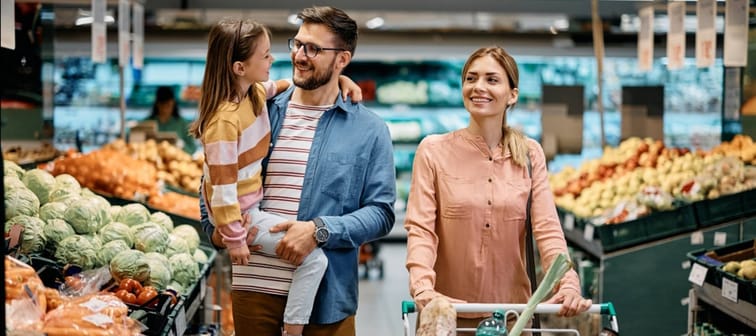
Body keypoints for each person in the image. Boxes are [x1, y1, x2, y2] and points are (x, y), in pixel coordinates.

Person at [200, 6, 396, 336]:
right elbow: (213, 180)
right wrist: (217, 232)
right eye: (297, 44)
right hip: (254, 291)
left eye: (314, 49)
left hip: (326, 298)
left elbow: (381, 213)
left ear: (342, 60)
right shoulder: (258, 106)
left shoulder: (369, 129)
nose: (299, 56)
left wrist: (320, 230)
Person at [404, 46, 592, 334]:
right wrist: (423, 289)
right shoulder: (433, 151)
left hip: (513, 319)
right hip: (446, 318)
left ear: (512, 94)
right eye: (471, 78)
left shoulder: (529, 155)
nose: (479, 87)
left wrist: (568, 285)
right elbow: (421, 230)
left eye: (492, 80)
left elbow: (548, 230)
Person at [145, 85, 197, 154]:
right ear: (157, 104)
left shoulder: (183, 124)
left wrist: (181, 144)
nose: (165, 109)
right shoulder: (147, 123)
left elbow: (192, 149)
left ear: (173, 104)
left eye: (168, 105)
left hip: (178, 162)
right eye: (162, 105)